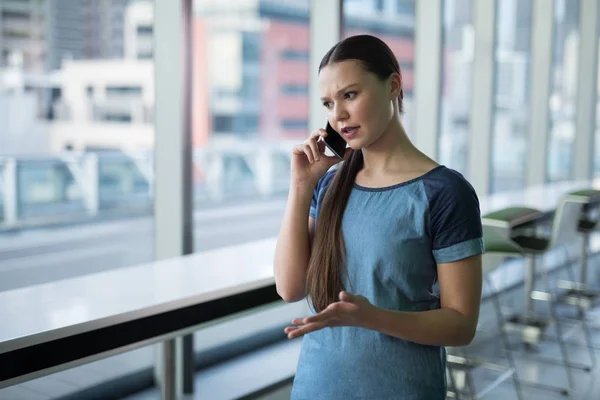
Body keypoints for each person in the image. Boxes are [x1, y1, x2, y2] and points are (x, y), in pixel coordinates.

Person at [273, 34, 484, 400]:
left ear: (394, 86)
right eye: (328, 103)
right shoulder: (328, 186)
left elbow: (461, 325)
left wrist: (372, 318)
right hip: (317, 386)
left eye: (350, 95)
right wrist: (301, 186)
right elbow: (290, 287)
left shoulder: (445, 193)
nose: (337, 115)